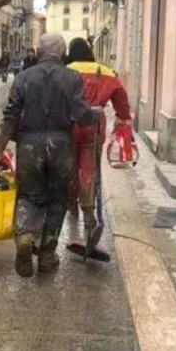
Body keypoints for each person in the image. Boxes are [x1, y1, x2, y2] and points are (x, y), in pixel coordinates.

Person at [0, 33, 98, 277]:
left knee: (28, 196)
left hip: (29, 145)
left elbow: (10, 117)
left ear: (39, 51)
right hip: (62, 145)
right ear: (61, 53)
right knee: (58, 199)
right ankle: (47, 255)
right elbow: (81, 113)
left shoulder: (23, 78)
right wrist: (96, 115)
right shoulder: (72, 78)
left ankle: (25, 237)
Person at [64, 38, 132, 233]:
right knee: (89, 167)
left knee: (70, 167)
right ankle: (88, 209)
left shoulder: (66, 70)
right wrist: (122, 117)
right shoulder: (105, 72)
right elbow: (121, 98)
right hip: (93, 127)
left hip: (69, 125)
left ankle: (71, 202)